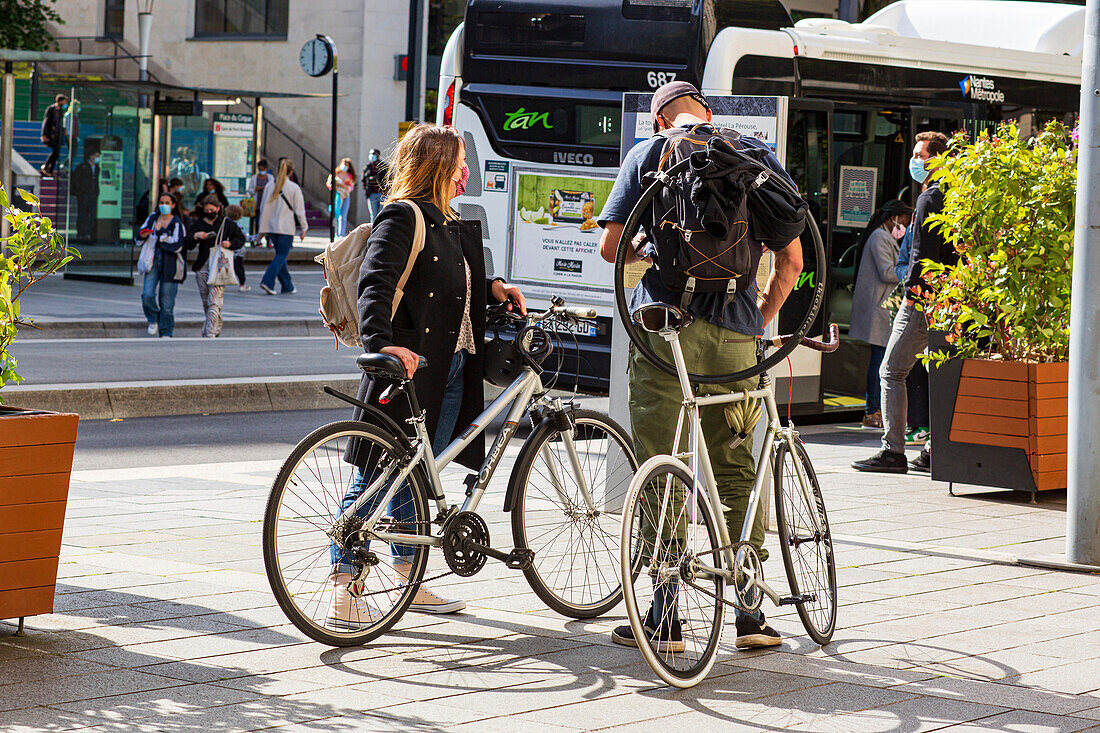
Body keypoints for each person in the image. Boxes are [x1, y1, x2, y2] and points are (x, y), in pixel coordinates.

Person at [597, 82, 803, 650]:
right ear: (707, 112)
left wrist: (648, 251)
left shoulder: (648, 154)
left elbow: (611, 248)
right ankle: (751, 611)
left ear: (659, 118)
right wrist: (758, 318)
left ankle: (666, 618)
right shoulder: (753, 154)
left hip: (665, 334)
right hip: (736, 336)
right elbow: (792, 259)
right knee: (736, 464)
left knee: (661, 463)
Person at [329, 123, 526, 626]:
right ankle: (343, 585)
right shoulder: (404, 215)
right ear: (438, 166)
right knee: (376, 472)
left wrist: (494, 288)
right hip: (407, 368)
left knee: (417, 474)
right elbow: (376, 285)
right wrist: (384, 347)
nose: (466, 172)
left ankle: (408, 579)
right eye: (460, 163)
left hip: (452, 366)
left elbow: (452, 285)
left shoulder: (449, 220)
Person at [852, 131, 952, 474]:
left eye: (920, 155)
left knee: (891, 371)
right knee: (938, 374)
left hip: (921, 303)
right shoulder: (956, 196)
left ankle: (892, 451)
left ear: (937, 158)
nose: (916, 161)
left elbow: (922, 256)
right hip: (948, 301)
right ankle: (933, 450)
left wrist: (912, 297)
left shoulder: (928, 199)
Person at [849, 200, 914, 429]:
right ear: (893, 217)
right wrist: (911, 269)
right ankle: (872, 410)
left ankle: (875, 409)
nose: (904, 225)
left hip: (882, 308)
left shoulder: (883, 236)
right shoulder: (879, 237)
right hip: (879, 308)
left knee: (881, 360)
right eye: (904, 220)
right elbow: (888, 272)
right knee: (880, 362)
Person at [187, 195, 246, 337]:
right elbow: (188, 243)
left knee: (215, 300)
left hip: (220, 265)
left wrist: (230, 244)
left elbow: (241, 239)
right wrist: (196, 236)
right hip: (203, 265)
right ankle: (215, 323)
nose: (209, 212)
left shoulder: (226, 224)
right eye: (206, 210)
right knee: (206, 300)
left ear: (218, 209)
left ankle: (210, 332)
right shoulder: (198, 224)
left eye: (212, 210)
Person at [137, 191, 188, 338]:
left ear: (173, 205)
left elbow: (176, 244)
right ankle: (153, 319)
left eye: (167, 203)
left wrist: (160, 233)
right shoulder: (152, 219)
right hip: (152, 261)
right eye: (161, 203)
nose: (163, 206)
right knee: (147, 294)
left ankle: (166, 331)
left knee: (167, 300)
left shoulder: (177, 222)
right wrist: (143, 234)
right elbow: (140, 235)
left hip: (170, 264)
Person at [257, 158, 307, 294]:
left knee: (280, 256)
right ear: (291, 172)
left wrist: (262, 229)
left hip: (272, 227)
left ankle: (287, 285)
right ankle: (267, 281)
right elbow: (300, 210)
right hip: (286, 228)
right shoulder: (294, 188)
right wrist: (304, 227)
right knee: (281, 256)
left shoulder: (269, 186)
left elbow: (263, 208)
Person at [71, 147, 100, 243]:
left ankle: (89, 234)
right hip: (83, 195)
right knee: (82, 215)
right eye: (96, 156)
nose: (97, 158)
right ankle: (81, 234)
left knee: (91, 215)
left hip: (92, 195)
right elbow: (77, 180)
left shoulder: (97, 168)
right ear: (91, 156)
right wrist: (80, 192)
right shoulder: (82, 167)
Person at [327, 157, 357, 238]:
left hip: (346, 196)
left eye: (347, 165)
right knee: (336, 214)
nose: (345, 166)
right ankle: (336, 233)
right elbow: (329, 184)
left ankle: (341, 234)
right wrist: (338, 186)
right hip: (337, 196)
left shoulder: (350, 176)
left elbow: (350, 187)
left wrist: (342, 185)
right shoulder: (335, 174)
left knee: (343, 216)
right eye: (344, 164)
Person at [39, 94, 67, 177]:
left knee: (56, 153)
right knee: (55, 151)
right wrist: (44, 134)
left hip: (58, 136)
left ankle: (49, 170)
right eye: (64, 101)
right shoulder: (51, 109)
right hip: (51, 135)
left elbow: (61, 123)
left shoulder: (61, 111)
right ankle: (47, 167)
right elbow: (46, 122)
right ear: (60, 101)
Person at [246, 160, 274, 237]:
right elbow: (249, 190)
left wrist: (266, 189)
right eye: (260, 169)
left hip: (266, 204)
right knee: (257, 221)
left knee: (267, 222)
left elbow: (273, 190)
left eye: (263, 169)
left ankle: (268, 240)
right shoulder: (254, 178)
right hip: (256, 204)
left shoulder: (270, 178)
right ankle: (257, 239)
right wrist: (255, 189)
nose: (261, 171)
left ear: (266, 169)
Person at [362, 148, 388, 222]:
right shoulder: (367, 167)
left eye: (374, 154)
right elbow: (364, 180)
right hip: (372, 194)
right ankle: (373, 232)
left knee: (382, 214)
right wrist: (367, 191)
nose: (372, 156)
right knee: (373, 215)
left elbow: (388, 179)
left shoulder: (384, 166)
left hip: (382, 194)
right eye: (371, 154)